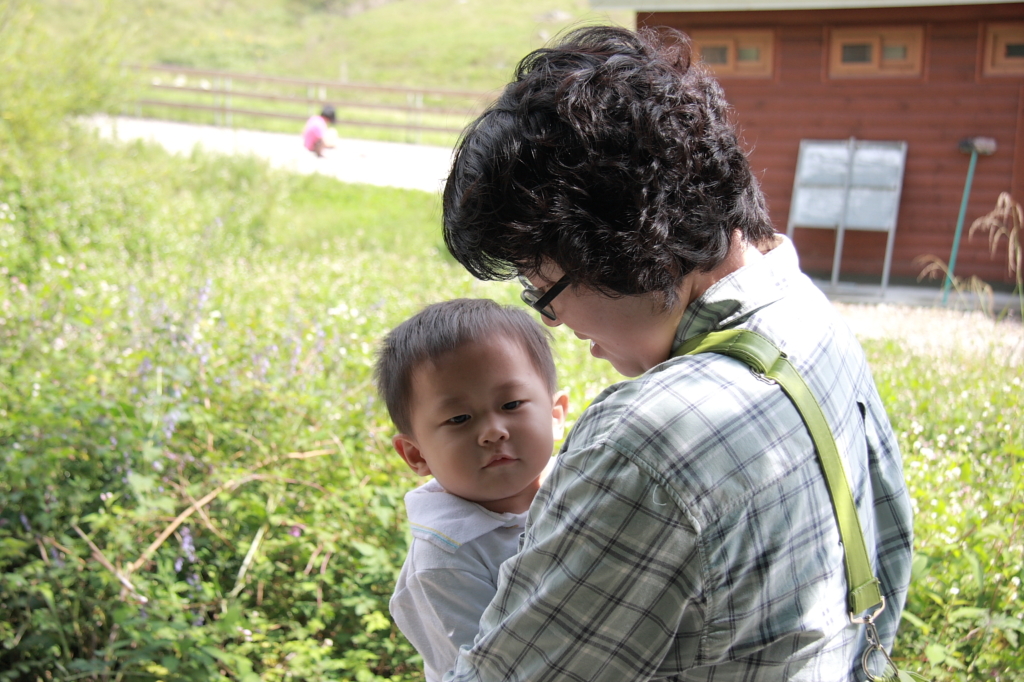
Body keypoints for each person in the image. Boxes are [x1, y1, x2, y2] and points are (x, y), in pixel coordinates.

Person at [439, 25, 914, 681]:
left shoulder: (646, 441)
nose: (551, 320)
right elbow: (888, 554)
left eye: (544, 287)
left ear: (620, 244)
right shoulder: (808, 314)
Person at [373, 299, 569, 682]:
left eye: (511, 403)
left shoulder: (586, 482)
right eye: (459, 418)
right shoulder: (445, 558)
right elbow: (491, 669)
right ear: (416, 454)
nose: (493, 430)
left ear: (554, 414)